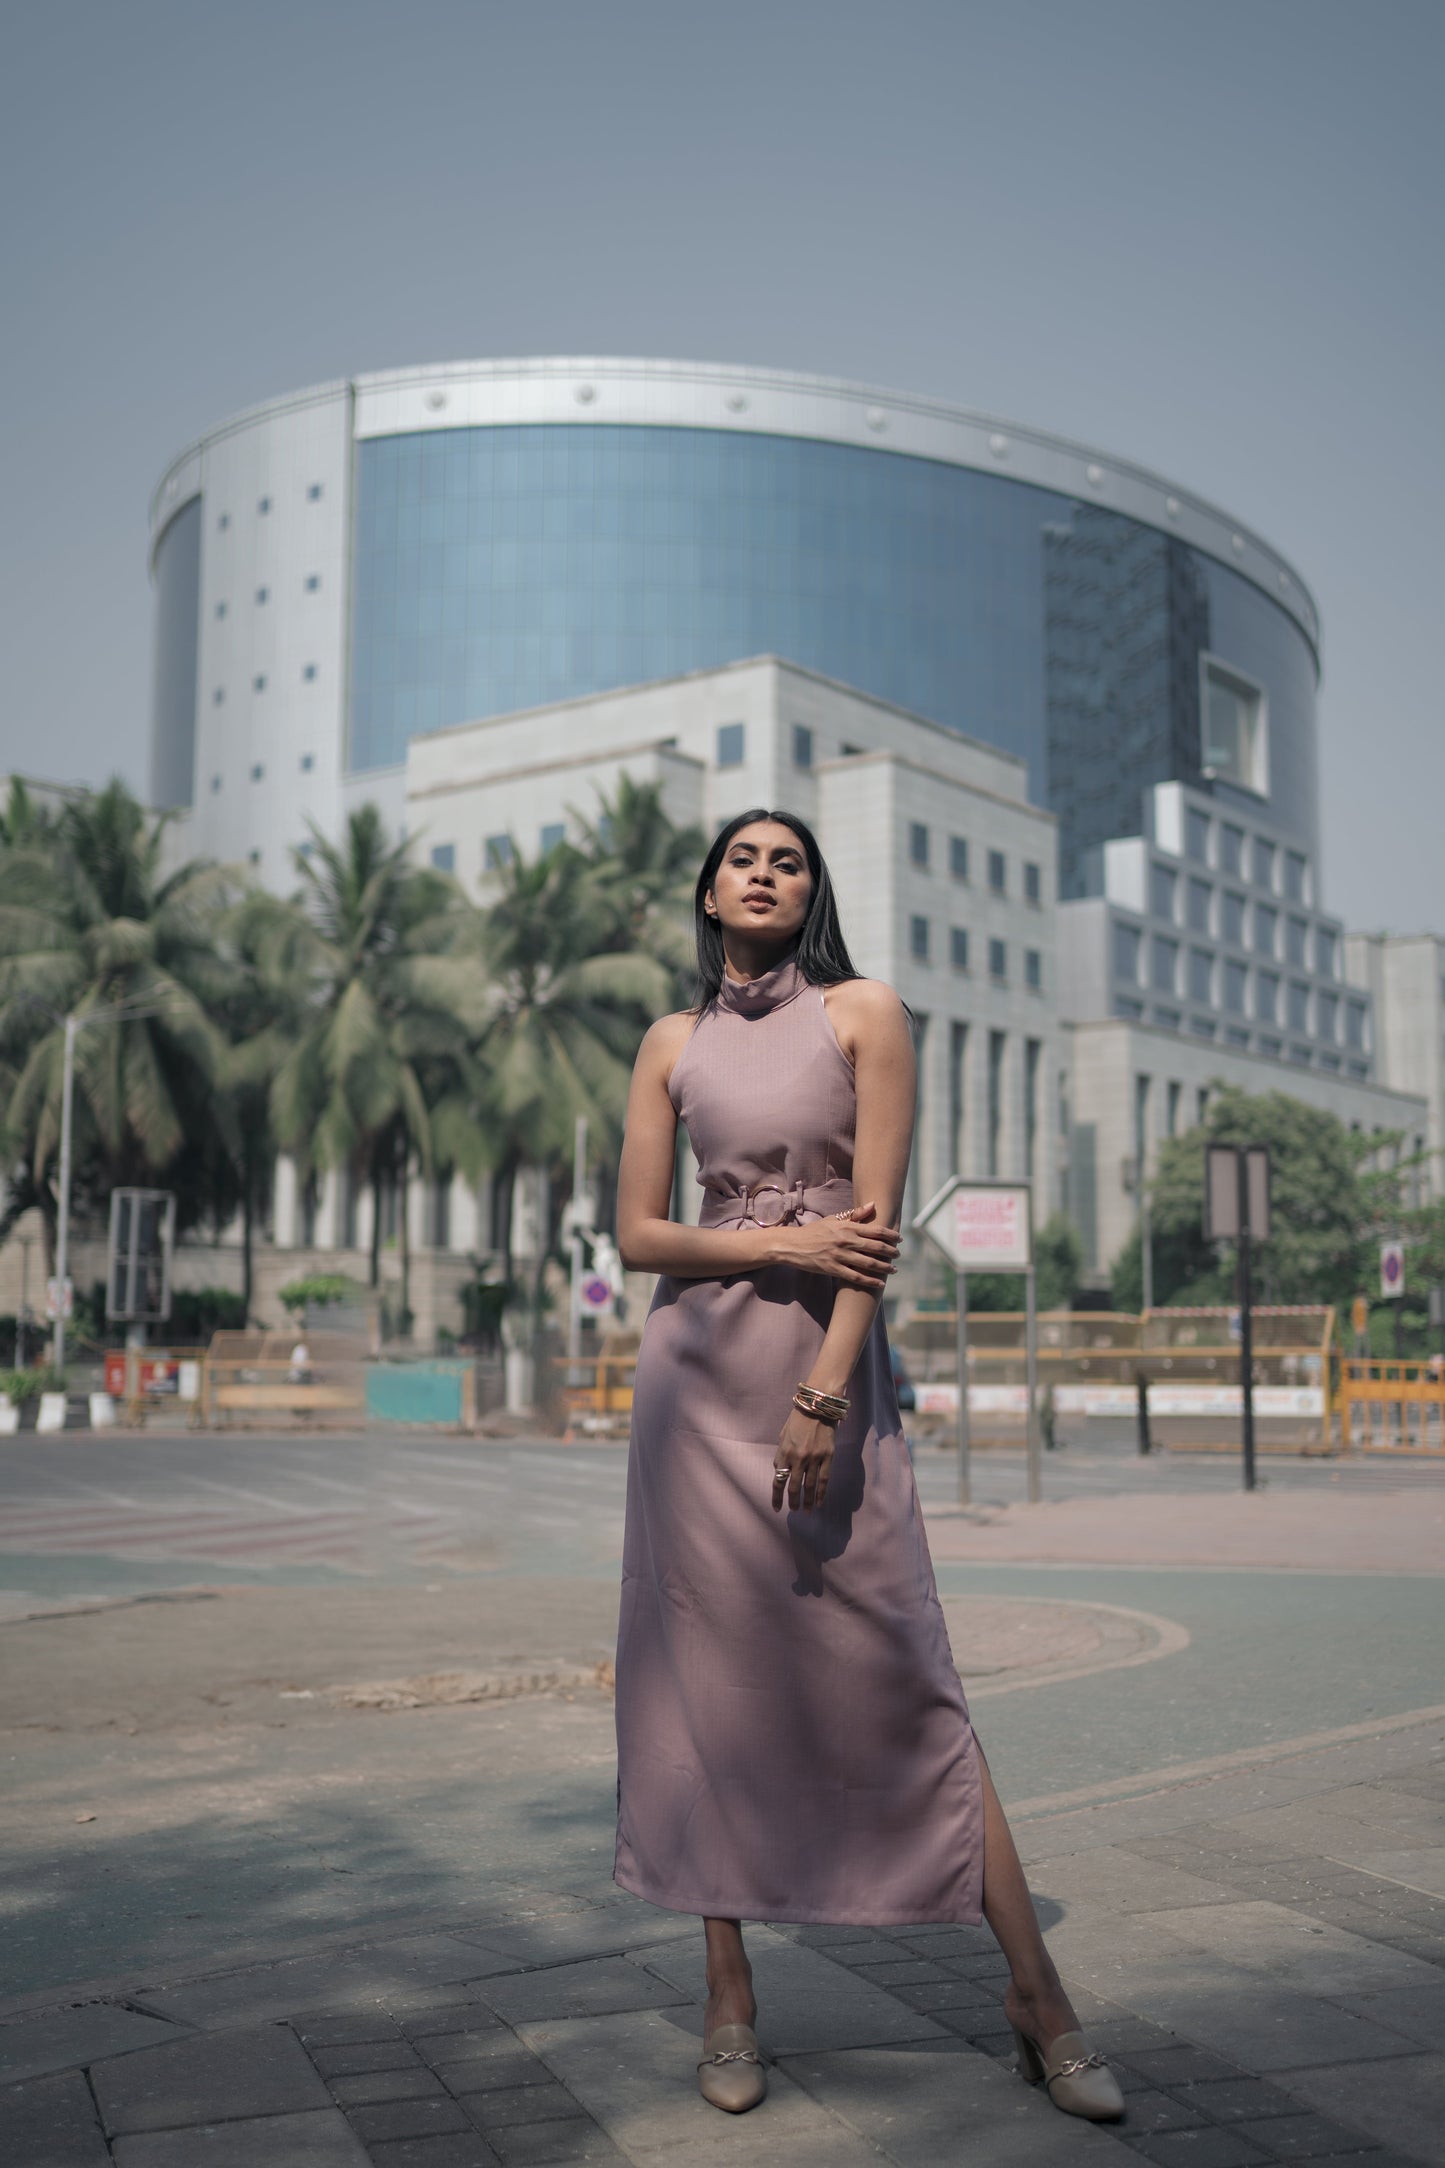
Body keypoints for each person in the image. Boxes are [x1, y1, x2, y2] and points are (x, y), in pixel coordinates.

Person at [614, 809, 1123, 2124]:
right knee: (699, 1692)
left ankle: (1037, 1995)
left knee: (910, 1676)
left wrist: (827, 1393)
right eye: (742, 857)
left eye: (788, 858)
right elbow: (639, 1236)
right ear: (707, 890)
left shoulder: (863, 1013)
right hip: (690, 1395)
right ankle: (726, 1990)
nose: (765, 872)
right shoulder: (669, 1043)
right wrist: (781, 1248)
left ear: (810, 888)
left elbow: (875, 1229)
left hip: (822, 1393)